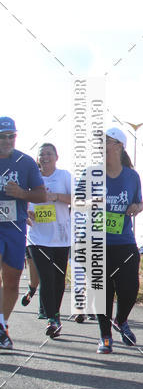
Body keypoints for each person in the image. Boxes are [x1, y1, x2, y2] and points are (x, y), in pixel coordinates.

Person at [93, 128, 143, 354]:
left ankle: (121, 319)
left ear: (119, 146)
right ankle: (105, 336)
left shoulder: (132, 176)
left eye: (107, 141)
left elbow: (139, 203)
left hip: (124, 241)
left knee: (130, 289)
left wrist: (135, 208)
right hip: (98, 242)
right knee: (103, 290)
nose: (101, 144)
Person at [0, 117, 46, 349]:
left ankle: (2, 324)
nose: (7, 140)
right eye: (2, 136)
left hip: (15, 229)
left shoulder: (25, 162)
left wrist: (21, 193)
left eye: (11, 136)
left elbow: (41, 195)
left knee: (11, 282)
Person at [27, 144, 72, 338]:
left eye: (49, 153)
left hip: (61, 238)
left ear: (56, 156)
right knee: (46, 278)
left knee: (58, 280)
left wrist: (55, 196)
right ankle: (52, 319)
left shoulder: (64, 176)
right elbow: (23, 203)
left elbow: (78, 199)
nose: (45, 157)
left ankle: (55, 313)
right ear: (38, 159)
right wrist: (27, 214)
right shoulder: (31, 178)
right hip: (37, 237)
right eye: (41, 154)